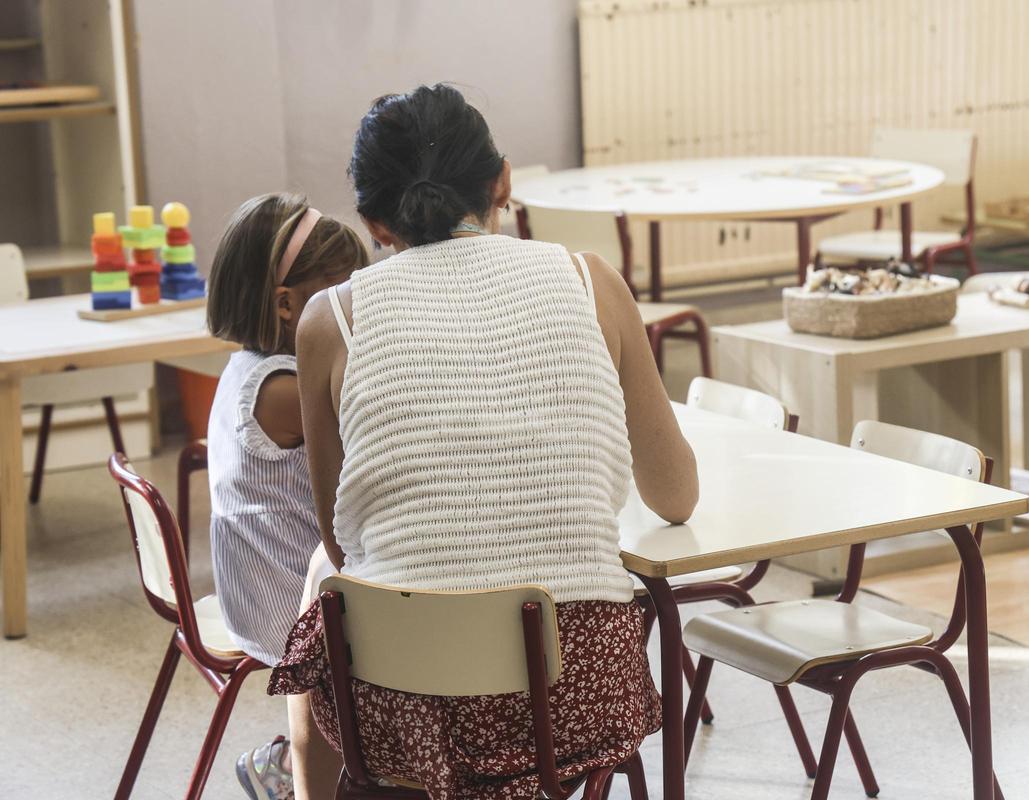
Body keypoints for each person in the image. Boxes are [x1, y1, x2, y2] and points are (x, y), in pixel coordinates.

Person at [269, 84, 699, 800]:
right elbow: (676, 498)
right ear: (503, 179)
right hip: (575, 690)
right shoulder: (590, 280)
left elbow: (343, 540)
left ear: (373, 222)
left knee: (327, 608)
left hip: (406, 697)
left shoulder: (328, 320)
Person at [205, 193, 368, 799]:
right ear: (286, 304)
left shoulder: (252, 365)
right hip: (284, 604)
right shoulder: (283, 388)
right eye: (344, 289)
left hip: (259, 582)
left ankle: (289, 755)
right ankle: (309, 762)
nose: (359, 302)